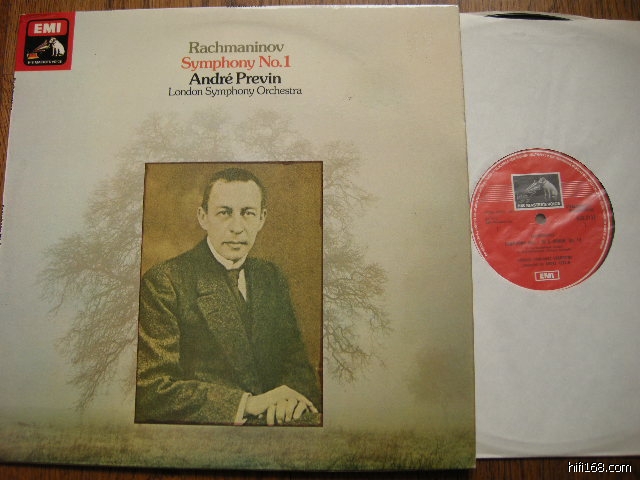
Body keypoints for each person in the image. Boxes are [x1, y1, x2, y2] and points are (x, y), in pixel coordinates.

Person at [135, 167, 321, 426]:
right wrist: (246, 404)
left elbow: (297, 366)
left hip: (277, 426)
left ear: (262, 219)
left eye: (248, 213)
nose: (237, 228)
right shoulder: (166, 281)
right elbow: (151, 389)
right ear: (203, 217)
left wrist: (291, 400)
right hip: (207, 432)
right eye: (224, 213)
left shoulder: (271, 277)